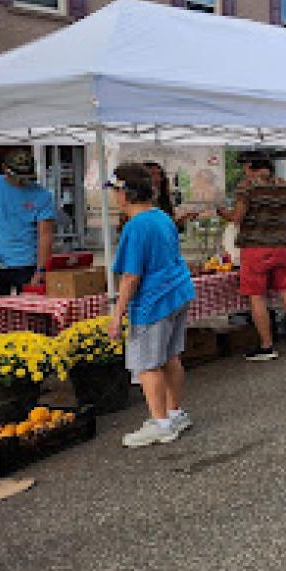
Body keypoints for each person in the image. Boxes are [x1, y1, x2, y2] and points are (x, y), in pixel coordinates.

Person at [107, 164, 196, 448]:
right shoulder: (162, 216)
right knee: (171, 357)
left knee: (147, 365)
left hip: (152, 301)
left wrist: (117, 314)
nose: (114, 197)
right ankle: (174, 413)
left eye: (115, 191)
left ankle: (160, 424)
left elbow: (131, 276)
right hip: (177, 292)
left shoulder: (135, 227)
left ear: (125, 193)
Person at [218, 153, 286, 360]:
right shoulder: (284, 185)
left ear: (250, 166)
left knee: (256, 296)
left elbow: (237, 217)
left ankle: (267, 346)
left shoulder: (247, 186)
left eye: (244, 167)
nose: (243, 172)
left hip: (255, 248)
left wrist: (222, 212)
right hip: (280, 245)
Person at [0, 149, 55, 297]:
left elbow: (45, 235)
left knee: (30, 308)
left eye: (25, 178)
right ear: (4, 169)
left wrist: (41, 269)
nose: (21, 183)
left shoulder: (42, 195)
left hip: (28, 264)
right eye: (17, 178)